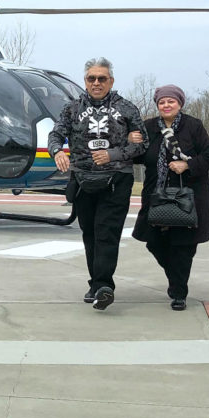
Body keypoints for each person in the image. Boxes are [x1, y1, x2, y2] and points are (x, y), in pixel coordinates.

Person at [48, 57, 146, 310]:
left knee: (106, 232)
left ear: (111, 81)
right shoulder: (71, 109)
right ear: (85, 81)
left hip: (116, 179)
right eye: (92, 78)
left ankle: (104, 285)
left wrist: (113, 154)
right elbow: (56, 133)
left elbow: (142, 143)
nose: (97, 82)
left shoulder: (127, 108)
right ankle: (96, 283)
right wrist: (57, 151)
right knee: (89, 234)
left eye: (102, 78)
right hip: (82, 179)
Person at [132, 85, 209, 310]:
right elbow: (137, 157)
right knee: (153, 242)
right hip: (156, 195)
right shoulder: (149, 127)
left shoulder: (193, 126)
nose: (166, 105)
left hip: (189, 196)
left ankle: (179, 293)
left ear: (179, 103)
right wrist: (132, 141)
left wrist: (187, 164)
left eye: (171, 101)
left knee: (183, 246)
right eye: (162, 102)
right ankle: (175, 279)